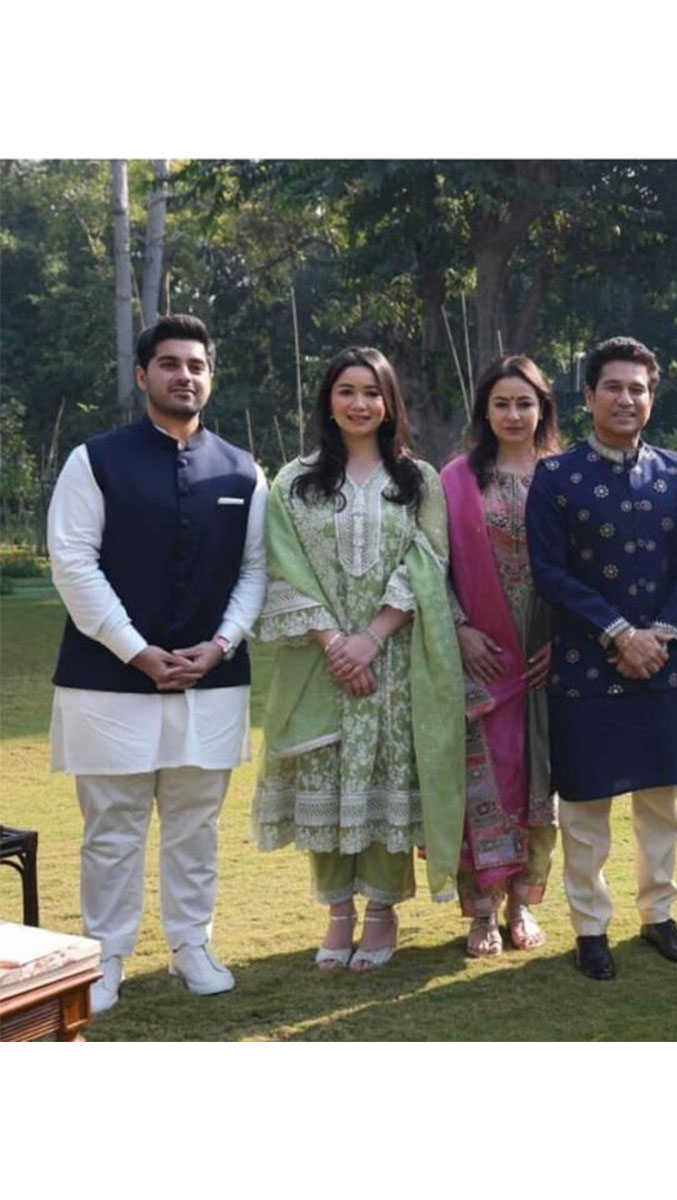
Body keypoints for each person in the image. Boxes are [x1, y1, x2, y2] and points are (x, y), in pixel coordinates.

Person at [48, 314, 265, 1014]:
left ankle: (191, 946)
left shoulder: (241, 470)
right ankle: (105, 957)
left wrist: (222, 643)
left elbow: (257, 570)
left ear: (210, 377)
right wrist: (135, 650)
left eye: (196, 365)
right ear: (143, 375)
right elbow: (72, 562)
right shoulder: (95, 460)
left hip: (212, 680)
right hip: (108, 682)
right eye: (169, 364)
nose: (184, 376)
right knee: (112, 831)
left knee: (195, 827)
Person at [251, 347, 464, 972]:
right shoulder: (294, 482)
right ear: (328, 400)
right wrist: (335, 644)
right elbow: (283, 566)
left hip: (396, 663)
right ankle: (337, 911)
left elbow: (429, 560)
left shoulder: (417, 480)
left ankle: (381, 912)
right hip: (319, 664)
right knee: (326, 776)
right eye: (346, 391)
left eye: (372, 392)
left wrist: (370, 638)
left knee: (387, 781)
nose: (359, 403)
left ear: (389, 403)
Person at [526, 336, 677, 981]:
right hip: (585, 668)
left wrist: (656, 636)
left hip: (663, 665)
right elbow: (549, 571)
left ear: (651, 397)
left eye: (638, 388)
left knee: (661, 805)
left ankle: (659, 915)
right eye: (613, 387)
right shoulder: (555, 476)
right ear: (589, 396)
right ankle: (590, 928)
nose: (626, 398)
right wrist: (618, 634)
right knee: (585, 809)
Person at [441, 356, 561, 957]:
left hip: (545, 655)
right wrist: (459, 629)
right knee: (483, 779)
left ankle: (522, 903)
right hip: (480, 656)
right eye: (502, 404)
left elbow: (583, 568)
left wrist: (561, 641)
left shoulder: (562, 476)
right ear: (484, 413)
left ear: (542, 410)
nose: (513, 415)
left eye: (524, 403)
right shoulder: (456, 479)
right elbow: (429, 564)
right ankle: (482, 909)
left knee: (539, 779)